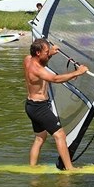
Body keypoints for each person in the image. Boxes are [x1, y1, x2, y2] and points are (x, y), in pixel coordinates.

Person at [24, 38, 89, 169]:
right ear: (38, 53)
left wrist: (50, 53)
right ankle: (70, 168)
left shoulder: (27, 59)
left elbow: (42, 61)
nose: (48, 53)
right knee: (60, 135)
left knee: (40, 137)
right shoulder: (37, 69)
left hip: (31, 106)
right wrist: (78, 72)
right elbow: (55, 79)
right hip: (39, 108)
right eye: (46, 51)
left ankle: (32, 167)